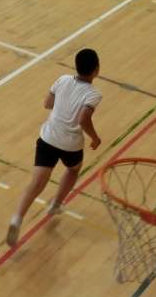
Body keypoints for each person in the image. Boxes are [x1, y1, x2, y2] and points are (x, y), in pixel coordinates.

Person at [6, 48, 102, 246]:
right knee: (73, 170)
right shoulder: (93, 94)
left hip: (48, 138)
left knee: (37, 183)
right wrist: (94, 137)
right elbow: (84, 119)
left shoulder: (63, 79)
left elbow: (47, 103)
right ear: (96, 70)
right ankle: (56, 204)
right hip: (70, 145)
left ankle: (17, 218)